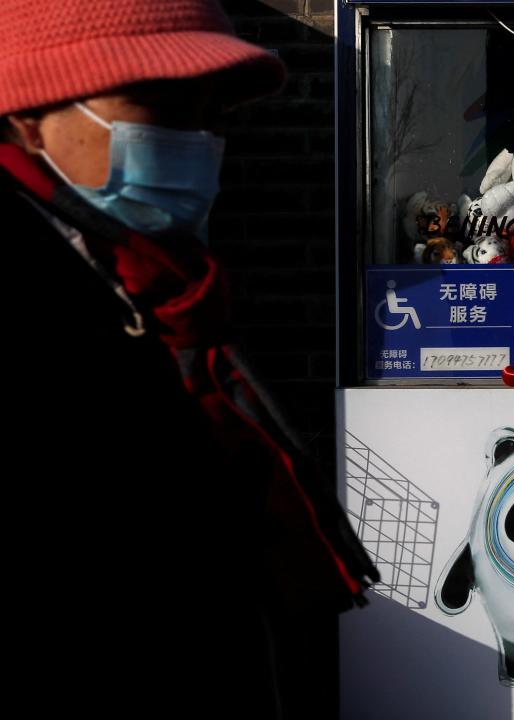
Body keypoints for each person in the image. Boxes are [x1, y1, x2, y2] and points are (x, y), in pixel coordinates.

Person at [1, 1, 377, 716]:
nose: (196, 140)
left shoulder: (157, 290)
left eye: (212, 115)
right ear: (28, 113)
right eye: (163, 105)